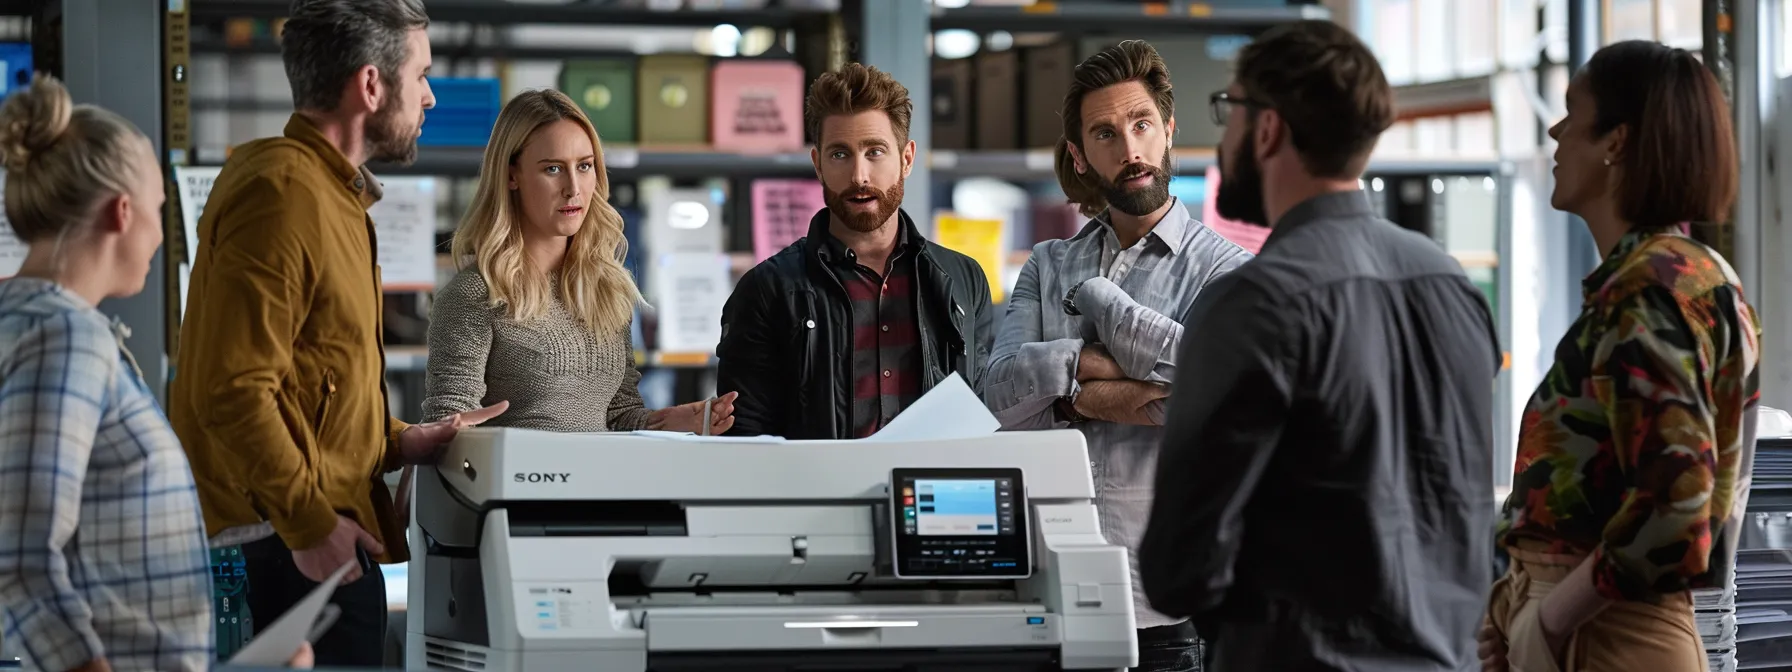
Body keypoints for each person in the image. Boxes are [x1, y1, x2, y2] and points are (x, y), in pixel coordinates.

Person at [1137, 20, 1501, 671]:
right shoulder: (1451, 285)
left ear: (1268, 128)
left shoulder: (1250, 304)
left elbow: (1179, 569)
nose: (1223, 137)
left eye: (1228, 111)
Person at [168, 0, 504, 664]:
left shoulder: (328, 195)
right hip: (289, 548)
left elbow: (310, 382)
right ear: (371, 84)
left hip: (307, 538)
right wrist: (311, 525)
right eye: (421, 75)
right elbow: (232, 388)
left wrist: (398, 441)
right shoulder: (284, 193)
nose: (431, 97)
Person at [0, 74, 313, 672]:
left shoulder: (44, 328)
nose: (161, 235)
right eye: (160, 211)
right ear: (122, 212)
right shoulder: (62, 338)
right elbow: (19, 557)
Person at [1478, 41, 1760, 672]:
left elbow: (1674, 505)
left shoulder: (1650, 289)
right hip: (1605, 626)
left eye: (1572, 114)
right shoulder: (1692, 276)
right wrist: (1518, 611)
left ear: (1617, 141)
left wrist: (1548, 620)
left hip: (1607, 633)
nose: (1555, 132)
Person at [979, 40, 1250, 672]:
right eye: (1105, 134)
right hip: (1046, 593)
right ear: (1080, 155)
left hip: (1166, 612)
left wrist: (1071, 374)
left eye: (1142, 124)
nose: (1130, 149)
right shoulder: (1047, 264)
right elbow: (996, 397)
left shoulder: (1228, 271)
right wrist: (1087, 364)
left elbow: (1215, 402)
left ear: (1168, 129)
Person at [423, 88, 736, 435]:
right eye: (553, 168)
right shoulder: (474, 296)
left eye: (584, 166)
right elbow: (446, 429)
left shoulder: (605, 288)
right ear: (511, 175)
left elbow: (618, 416)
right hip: (519, 473)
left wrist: (668, 422)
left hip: (603, 472)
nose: (573, 188)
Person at [716, 63, 994, 440]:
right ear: (818, 164)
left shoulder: (963, 279)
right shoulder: (767, 290)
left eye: (875, 152)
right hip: (817, 481)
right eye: (839, 155)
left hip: (928, 480)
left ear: (907, 159)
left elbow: (979, 411)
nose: (859, 176)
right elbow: (744, 444)